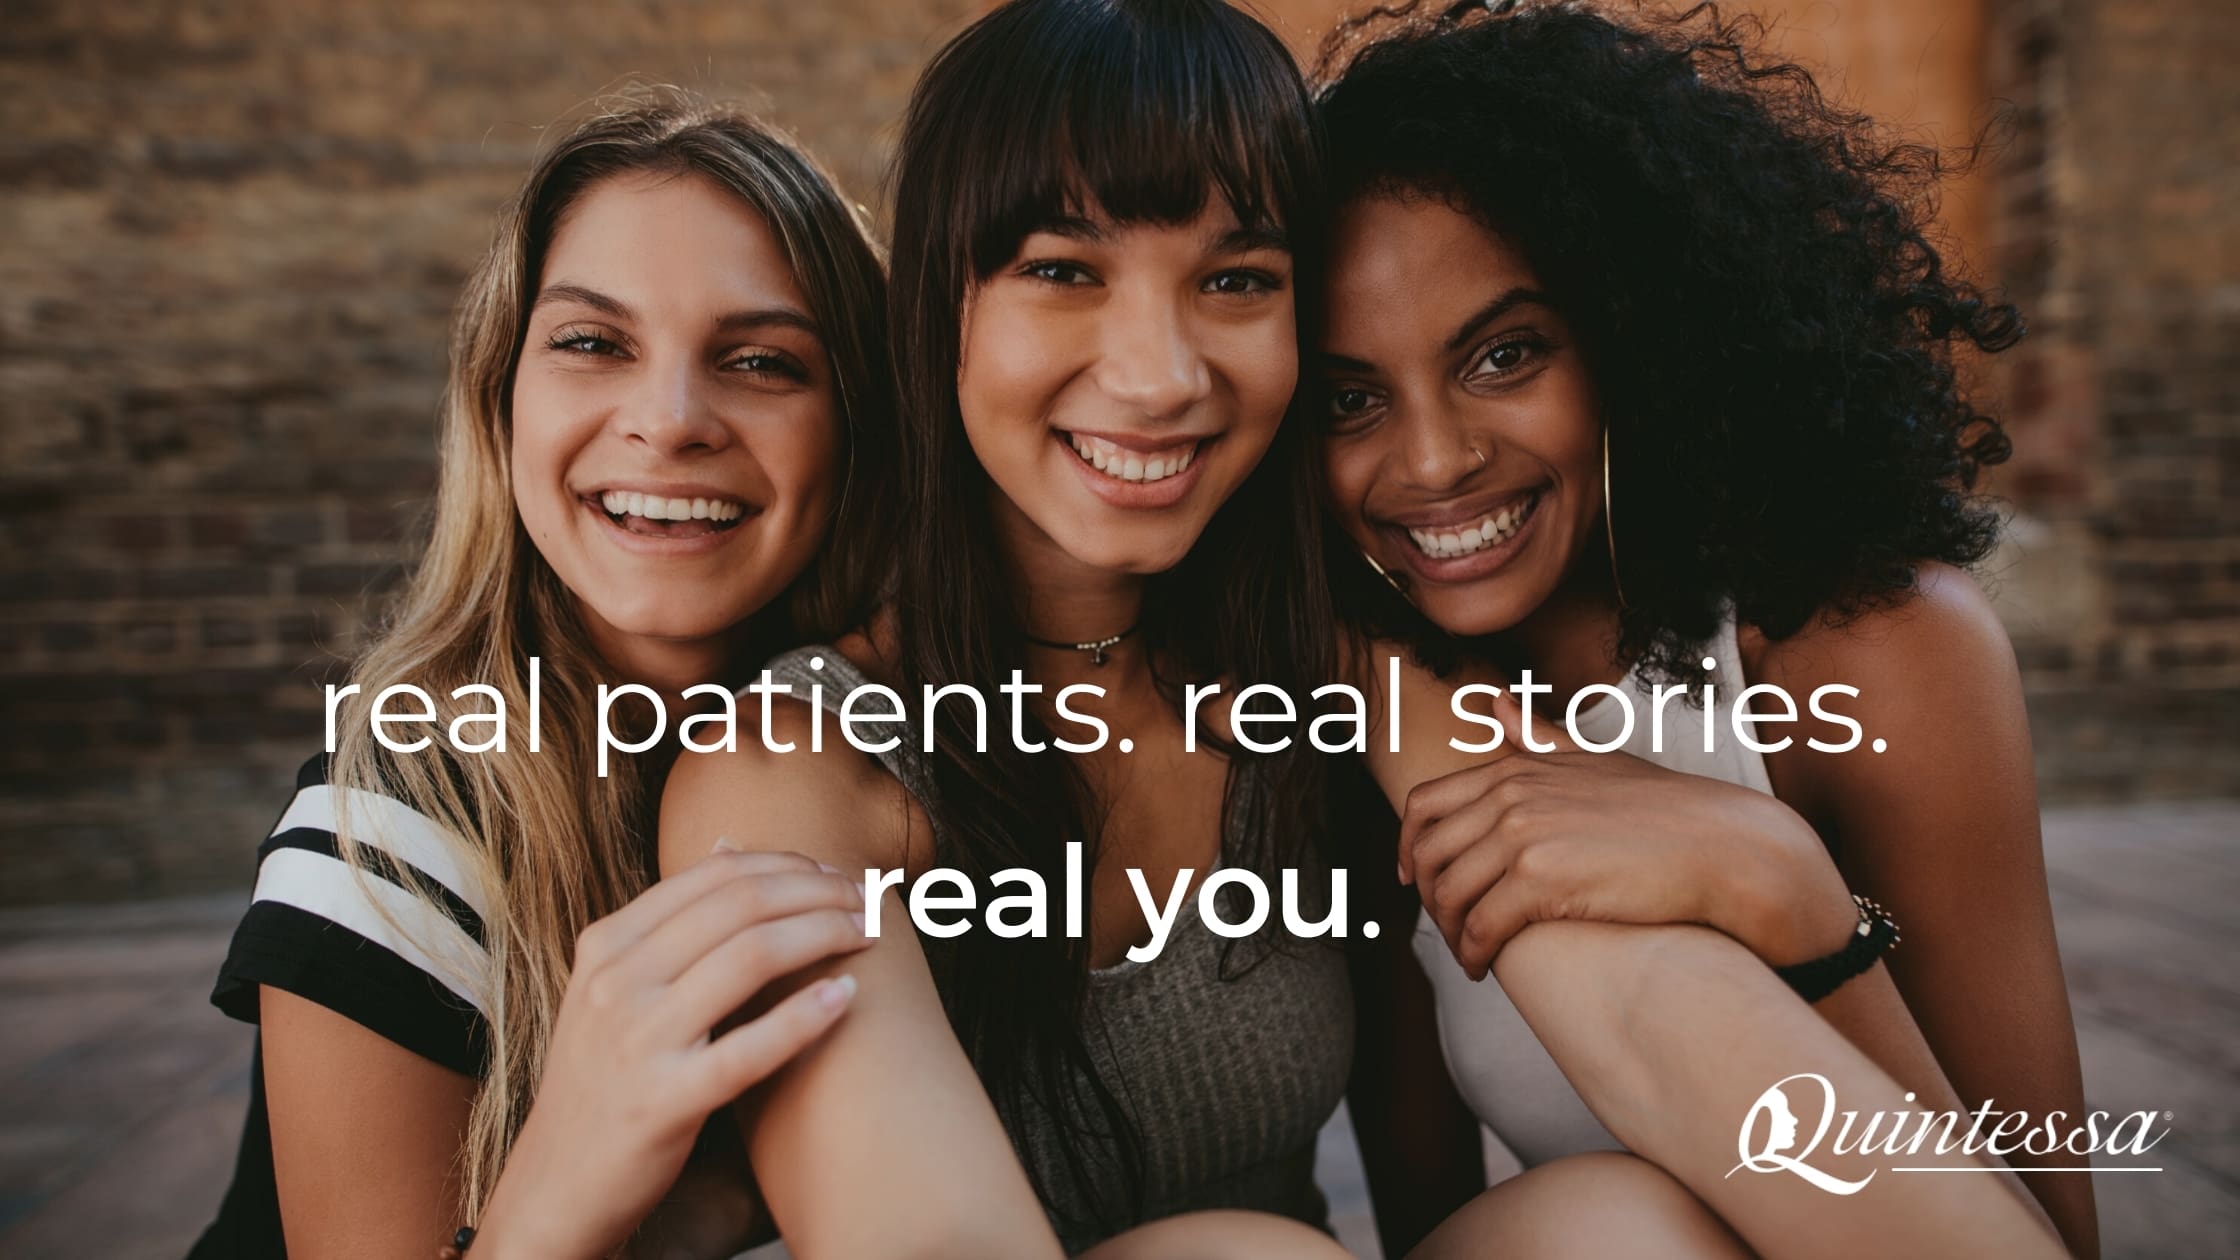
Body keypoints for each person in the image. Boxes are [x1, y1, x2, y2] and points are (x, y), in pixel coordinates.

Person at [1312, 3, 2096, 1256]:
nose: (1433, 459)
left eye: (1505, 356)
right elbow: (1440, 1223)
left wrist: (1793, 900)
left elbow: (2042, 1223)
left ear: (1630, 338)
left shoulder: (1875, 657)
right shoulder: (1374, 712)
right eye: (1348, 397)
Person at [658, 1, 1364, 1255]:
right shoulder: (800, 764)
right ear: (940, 312)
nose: (1159, 377)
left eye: (1236, 279)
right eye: (1060, 269)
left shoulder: (1327, 674)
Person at [190, 93, 895, 1259]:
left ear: (858, 430)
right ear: (500, 397)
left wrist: (708, 1205)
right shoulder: (389, 836)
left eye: (762, 360)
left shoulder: (890, 760)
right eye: (591, 343)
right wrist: (579, 1165)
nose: (668, 422)